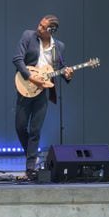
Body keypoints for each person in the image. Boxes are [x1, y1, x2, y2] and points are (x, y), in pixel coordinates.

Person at [13, 14, 73, 178]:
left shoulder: (58, 47)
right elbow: (17, 59)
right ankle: (31, 156)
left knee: (35, 130)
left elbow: (60, 68)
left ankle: (30, 167)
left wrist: (67, 74)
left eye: (42, 27)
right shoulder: (28, 36)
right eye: (39, 24)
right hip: (26, 86)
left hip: (42, 92)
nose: (38, 28)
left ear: (51, 30)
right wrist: (31, 77)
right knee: (20, 126)